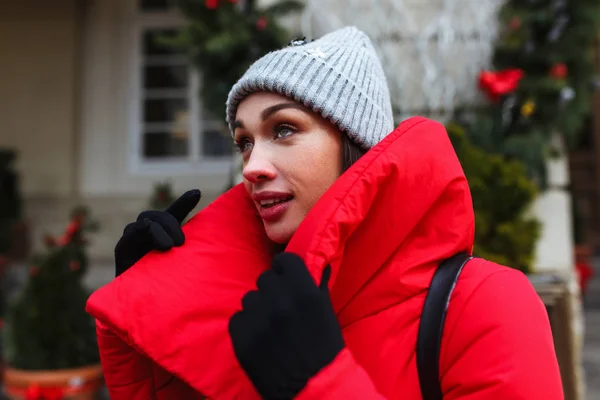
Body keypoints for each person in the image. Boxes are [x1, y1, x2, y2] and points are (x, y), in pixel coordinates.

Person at [86, 27, 563, 399]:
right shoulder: (255, 302)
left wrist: (318, 383)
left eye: (285, 129)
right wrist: (150, 315)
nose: (251, 166)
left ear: (356, 147)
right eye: (244, 142)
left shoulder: (486, 304)